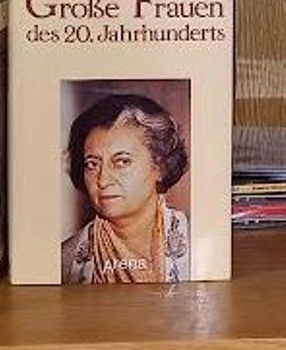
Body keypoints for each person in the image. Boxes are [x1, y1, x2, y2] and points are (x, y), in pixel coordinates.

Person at [61, 92, 191, 284]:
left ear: (159, 167)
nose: (103, 180)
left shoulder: (195, 242)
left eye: (122, 161)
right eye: (92, 164)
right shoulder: (65, 262)